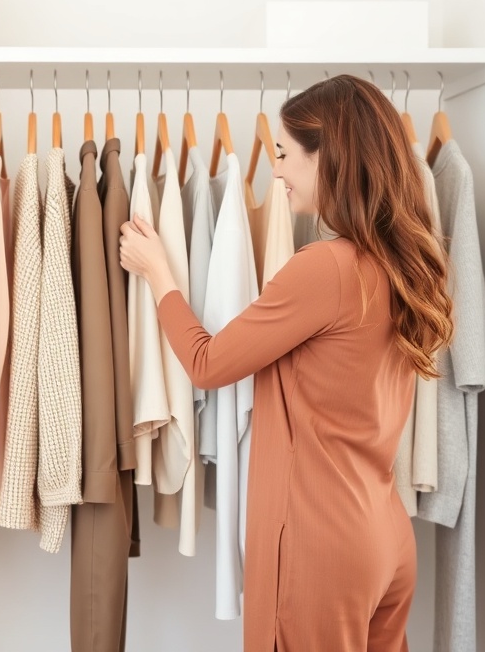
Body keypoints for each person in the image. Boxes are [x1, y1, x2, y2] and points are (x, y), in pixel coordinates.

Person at [119, 74, 454, 652]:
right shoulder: (402, 266)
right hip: (385, 537)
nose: (274, 170)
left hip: (317, 551)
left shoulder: (324, 268)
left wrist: (159, 274)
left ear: (330, 158)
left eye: (283, 154)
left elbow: (206, 362)